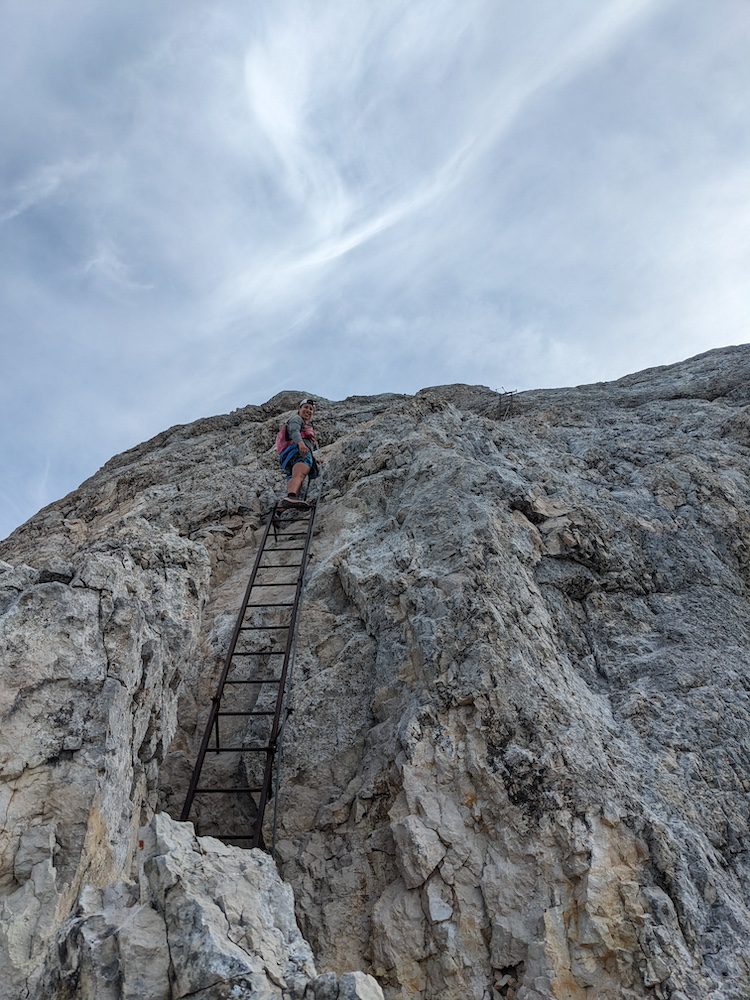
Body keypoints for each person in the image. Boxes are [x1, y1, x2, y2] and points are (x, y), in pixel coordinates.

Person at [278, 398, 319, 508]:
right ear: (299, 409)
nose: (308, 410)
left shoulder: (305, 425)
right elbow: (294, 431)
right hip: (298, 452)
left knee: (294, 476)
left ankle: (284, 506)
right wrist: (300, 443)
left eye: (311, 409)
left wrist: (315, 458)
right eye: (305, 407)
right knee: (299, 474)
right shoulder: (296, 419)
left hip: (291, 455)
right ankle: (291, 497)